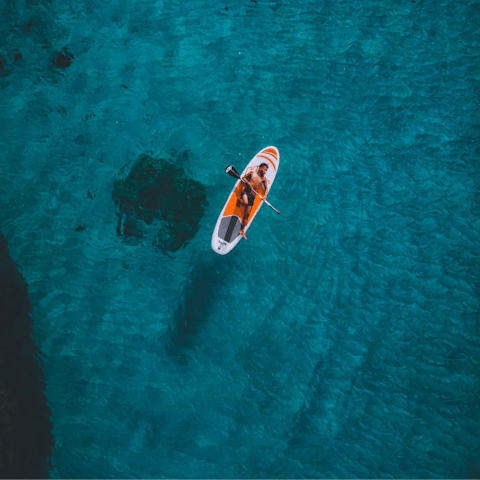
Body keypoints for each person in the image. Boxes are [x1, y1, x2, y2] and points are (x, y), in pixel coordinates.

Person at [237, 163, 269, 240]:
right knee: (245, 203)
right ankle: (239, 200)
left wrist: (265, 195)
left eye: (266, 170)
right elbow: (243, 178)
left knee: (247, 214)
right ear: (260, 168)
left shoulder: (263, 179)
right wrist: (248, 184)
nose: (265, 171)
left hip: (252, 196)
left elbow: (266, 188)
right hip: (246, 192)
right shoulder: (252, 173)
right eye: (265, 169)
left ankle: (242, 230)